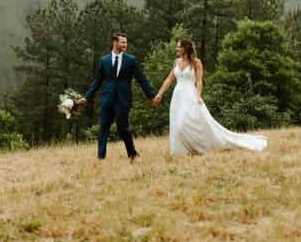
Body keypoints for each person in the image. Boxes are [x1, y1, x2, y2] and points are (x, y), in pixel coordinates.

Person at [153, 37, 267, 155]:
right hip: (177, 96)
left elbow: (199, 81)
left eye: (179, 47)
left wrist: (198, 97)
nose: (177, 49)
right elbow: (169, 79)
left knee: (185, 123)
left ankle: (200, 146)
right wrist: (159, 94)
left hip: (190, 95)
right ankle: (184, 151)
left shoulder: (196, 62)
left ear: (186, 48)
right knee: (178, 124)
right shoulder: (177, 62)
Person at [76, 32, 157, 160]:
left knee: (122, 128)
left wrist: (151, 96)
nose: (125, 44)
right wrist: (87, 97)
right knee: (103, 128)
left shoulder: (131, 60)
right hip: (107, 100)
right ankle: (100, 157)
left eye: (126, 42)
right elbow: (97, 81)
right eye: (123, 42)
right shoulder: (104, 60)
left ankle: (132, 154)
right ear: (115, 43)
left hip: (123, 100)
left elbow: (142, 79)